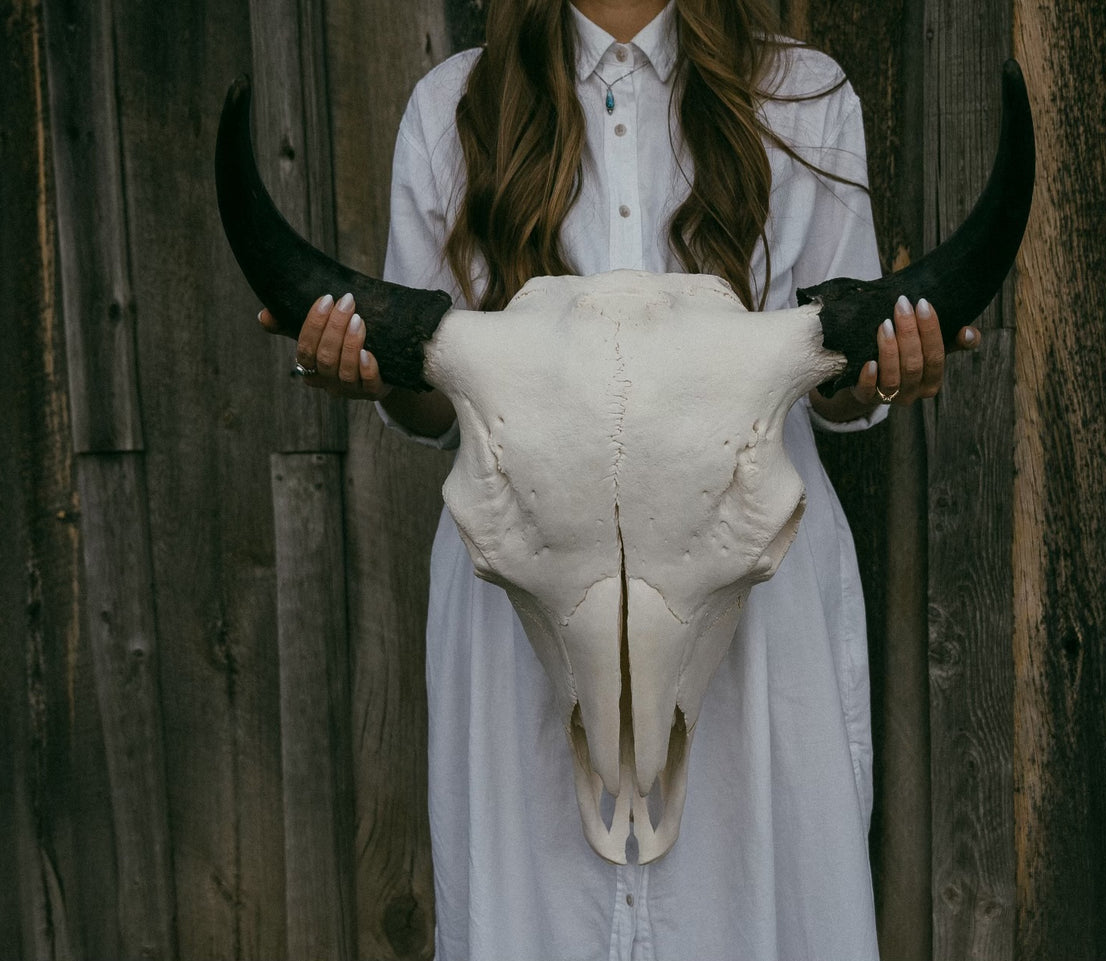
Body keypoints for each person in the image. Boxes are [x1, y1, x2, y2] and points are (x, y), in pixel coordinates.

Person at [262, 1, 978, 957]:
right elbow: (436, 401)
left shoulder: (805, 100)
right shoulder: (452, 108)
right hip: (520, 613)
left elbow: (834, 388)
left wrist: (888, 367)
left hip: (751, 602)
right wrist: (367, 364)